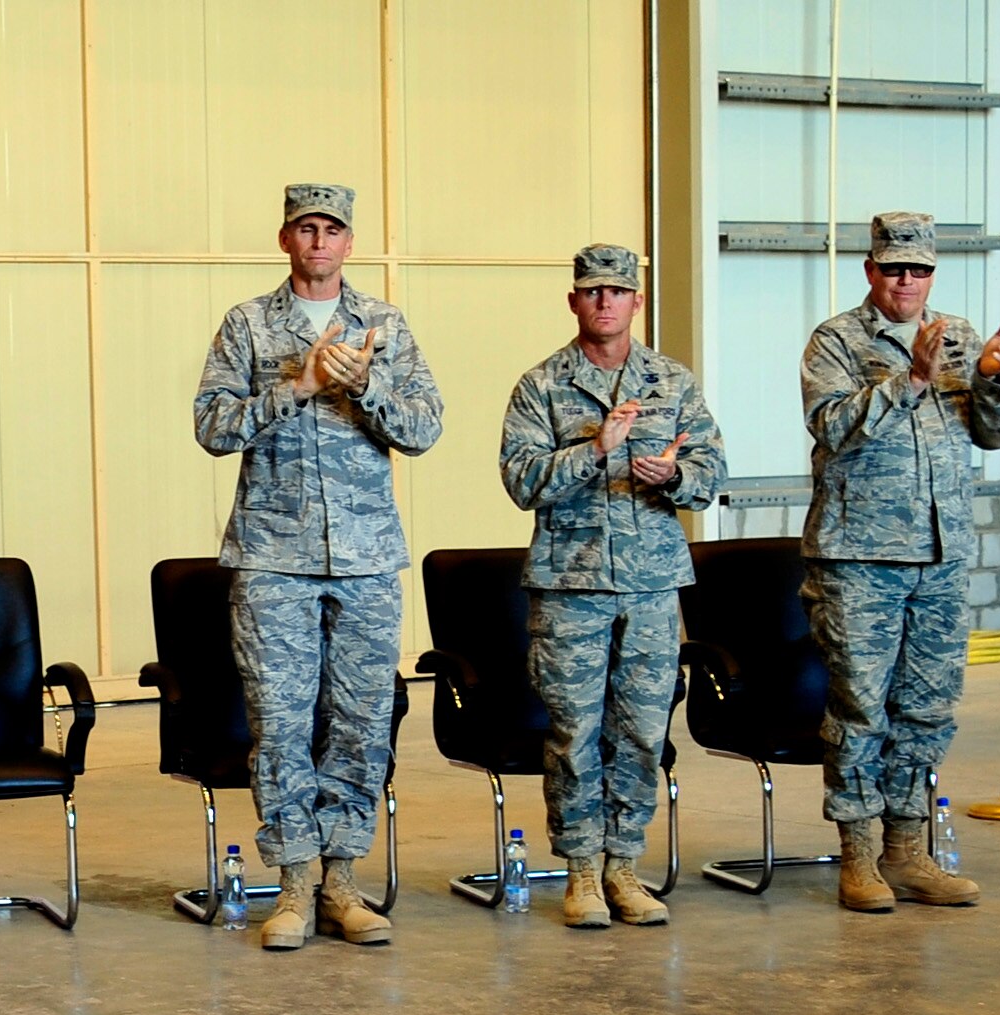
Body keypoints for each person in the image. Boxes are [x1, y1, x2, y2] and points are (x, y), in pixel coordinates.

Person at [194, 183, 443, 950]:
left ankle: (342, 880)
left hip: (366, 556)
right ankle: (294, 882)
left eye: (333, 229)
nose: (320, 242)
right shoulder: (247, 325)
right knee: (281, 721)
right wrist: (295, 385)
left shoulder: (383, 326)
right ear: (285, 239)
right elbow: (211, 427)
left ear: (348, 241)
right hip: (273, 555)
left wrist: (363, 383)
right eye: (307, 228)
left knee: (363, 720)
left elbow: (426, 426)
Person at [800, 211, 1000, 911]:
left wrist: (990, 379)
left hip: (941, 552)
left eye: (920, 269)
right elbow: (831, 427)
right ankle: (859, 855)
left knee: (928, 707)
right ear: (872, 271)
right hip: (860, 554)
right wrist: (913, 379)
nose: (907, 281)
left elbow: (997, 435)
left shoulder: (958, 335)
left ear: (933, 273)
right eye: (894, 268)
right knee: (862, 708)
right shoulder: (837, 341)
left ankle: (908, 848)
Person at [500, 244, 727, 928]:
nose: (605, 302)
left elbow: (712, 470)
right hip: (570, 583)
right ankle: (580, 872)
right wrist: (593, 451)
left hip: (654, 585)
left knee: (639, 731)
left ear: (637, 302)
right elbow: (520, 480)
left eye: (617, 292)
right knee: (574, 731)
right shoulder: (541, 386)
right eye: (592, 291)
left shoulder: (672, 383)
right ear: (573, 301)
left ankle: (624, 865)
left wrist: (676, 478)